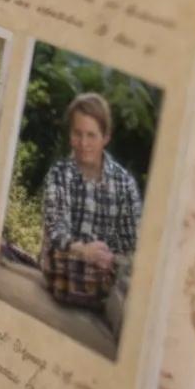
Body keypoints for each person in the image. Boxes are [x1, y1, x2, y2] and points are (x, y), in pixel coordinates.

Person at [40, 92, 142, 317]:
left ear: (105, 137)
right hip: (66, 273)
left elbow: (134, 248)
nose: (83, 143)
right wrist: (83, 251)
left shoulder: (125, 185)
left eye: (91, 135)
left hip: (107, 279)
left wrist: (110, 259)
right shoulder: (58, 176)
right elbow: (55, 231)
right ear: (70, 135)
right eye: (77, 134)